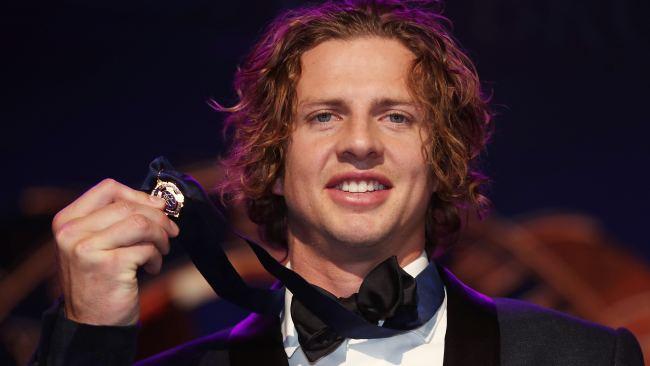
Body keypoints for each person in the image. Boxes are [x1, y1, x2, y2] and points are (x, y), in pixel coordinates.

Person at [31, 0, 644, 365]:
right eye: (324, 116)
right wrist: (89, 331)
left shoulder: (583, 358)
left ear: (444, 157)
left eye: (396, 116)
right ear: (273, 157)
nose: (359, 142)